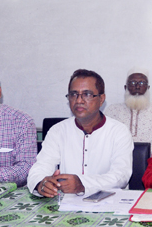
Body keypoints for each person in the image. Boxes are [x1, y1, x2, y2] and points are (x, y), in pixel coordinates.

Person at [27, 69, 133, 197]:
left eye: (87, 94)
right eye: (74, 94)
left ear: (101, 99)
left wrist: (82, 184)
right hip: (66, 204)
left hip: (109, 202)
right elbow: (41, 167)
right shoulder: (58, 130)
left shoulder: (118, 131)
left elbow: (120, 176)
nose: (79, 101)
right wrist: (41, 184)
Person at [104, 67, 152, 146]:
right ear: (125, 87)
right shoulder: (113, 110)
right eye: (132, 83)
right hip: (118, 157)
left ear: (148, 88)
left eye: (142, 83)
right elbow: (106, 138)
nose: (137, 87)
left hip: (151, 157)